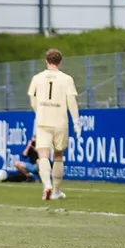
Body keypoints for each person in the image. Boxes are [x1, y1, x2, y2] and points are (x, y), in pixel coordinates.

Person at [27, 49, 81, 201]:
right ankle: (56, 190)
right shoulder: (67, 79)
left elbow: (33, 100)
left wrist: (40, 112)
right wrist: (76, 122)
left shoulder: (37, 78)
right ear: (60, 62)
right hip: (60, 122)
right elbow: (71, 101)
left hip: (43, 121)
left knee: (43, 154)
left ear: (46, 61)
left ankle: (46, 186)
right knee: (58, 156)